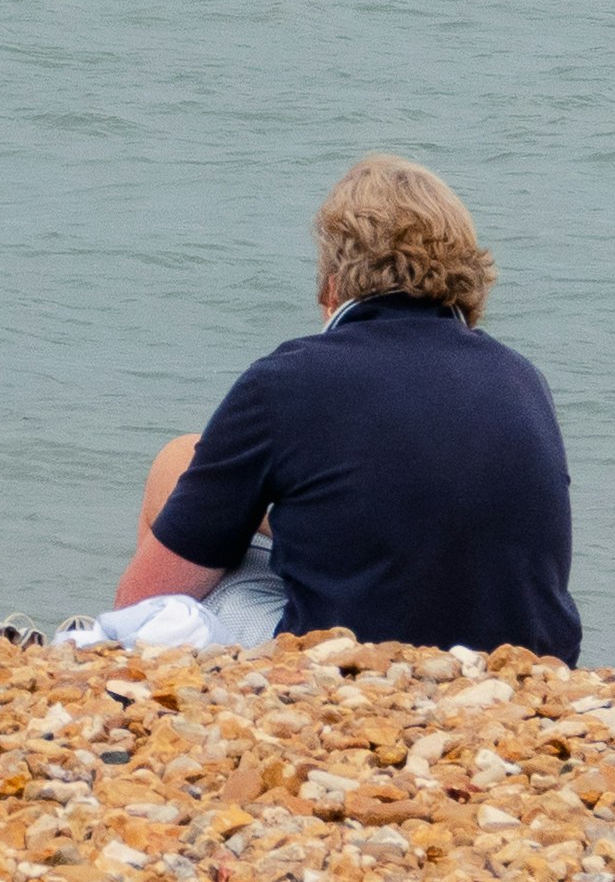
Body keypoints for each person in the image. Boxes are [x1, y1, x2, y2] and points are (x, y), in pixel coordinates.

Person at [112, 155, 579, 659]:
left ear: (333, 281)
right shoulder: (522, 378)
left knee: (174, 465)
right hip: (526, 666)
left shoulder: (288, 380)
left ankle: (133, 675)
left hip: (353, 662)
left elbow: (139, 598)